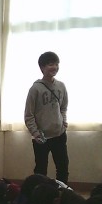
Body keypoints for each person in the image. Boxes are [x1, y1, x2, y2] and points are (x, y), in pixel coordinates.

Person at [24, 51, 69, 184]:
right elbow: (28, 115)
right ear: (42, 67)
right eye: (50, 64)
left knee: (63, 167)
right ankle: (40, 194)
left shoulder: (61, 86)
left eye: (56, 64)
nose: (54, 67)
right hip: (41, 137)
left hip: (59, 134)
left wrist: (64, 121)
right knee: (40, 170)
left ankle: (62, 192)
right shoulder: (35, 89)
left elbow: (63, 107)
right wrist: (36, 133)